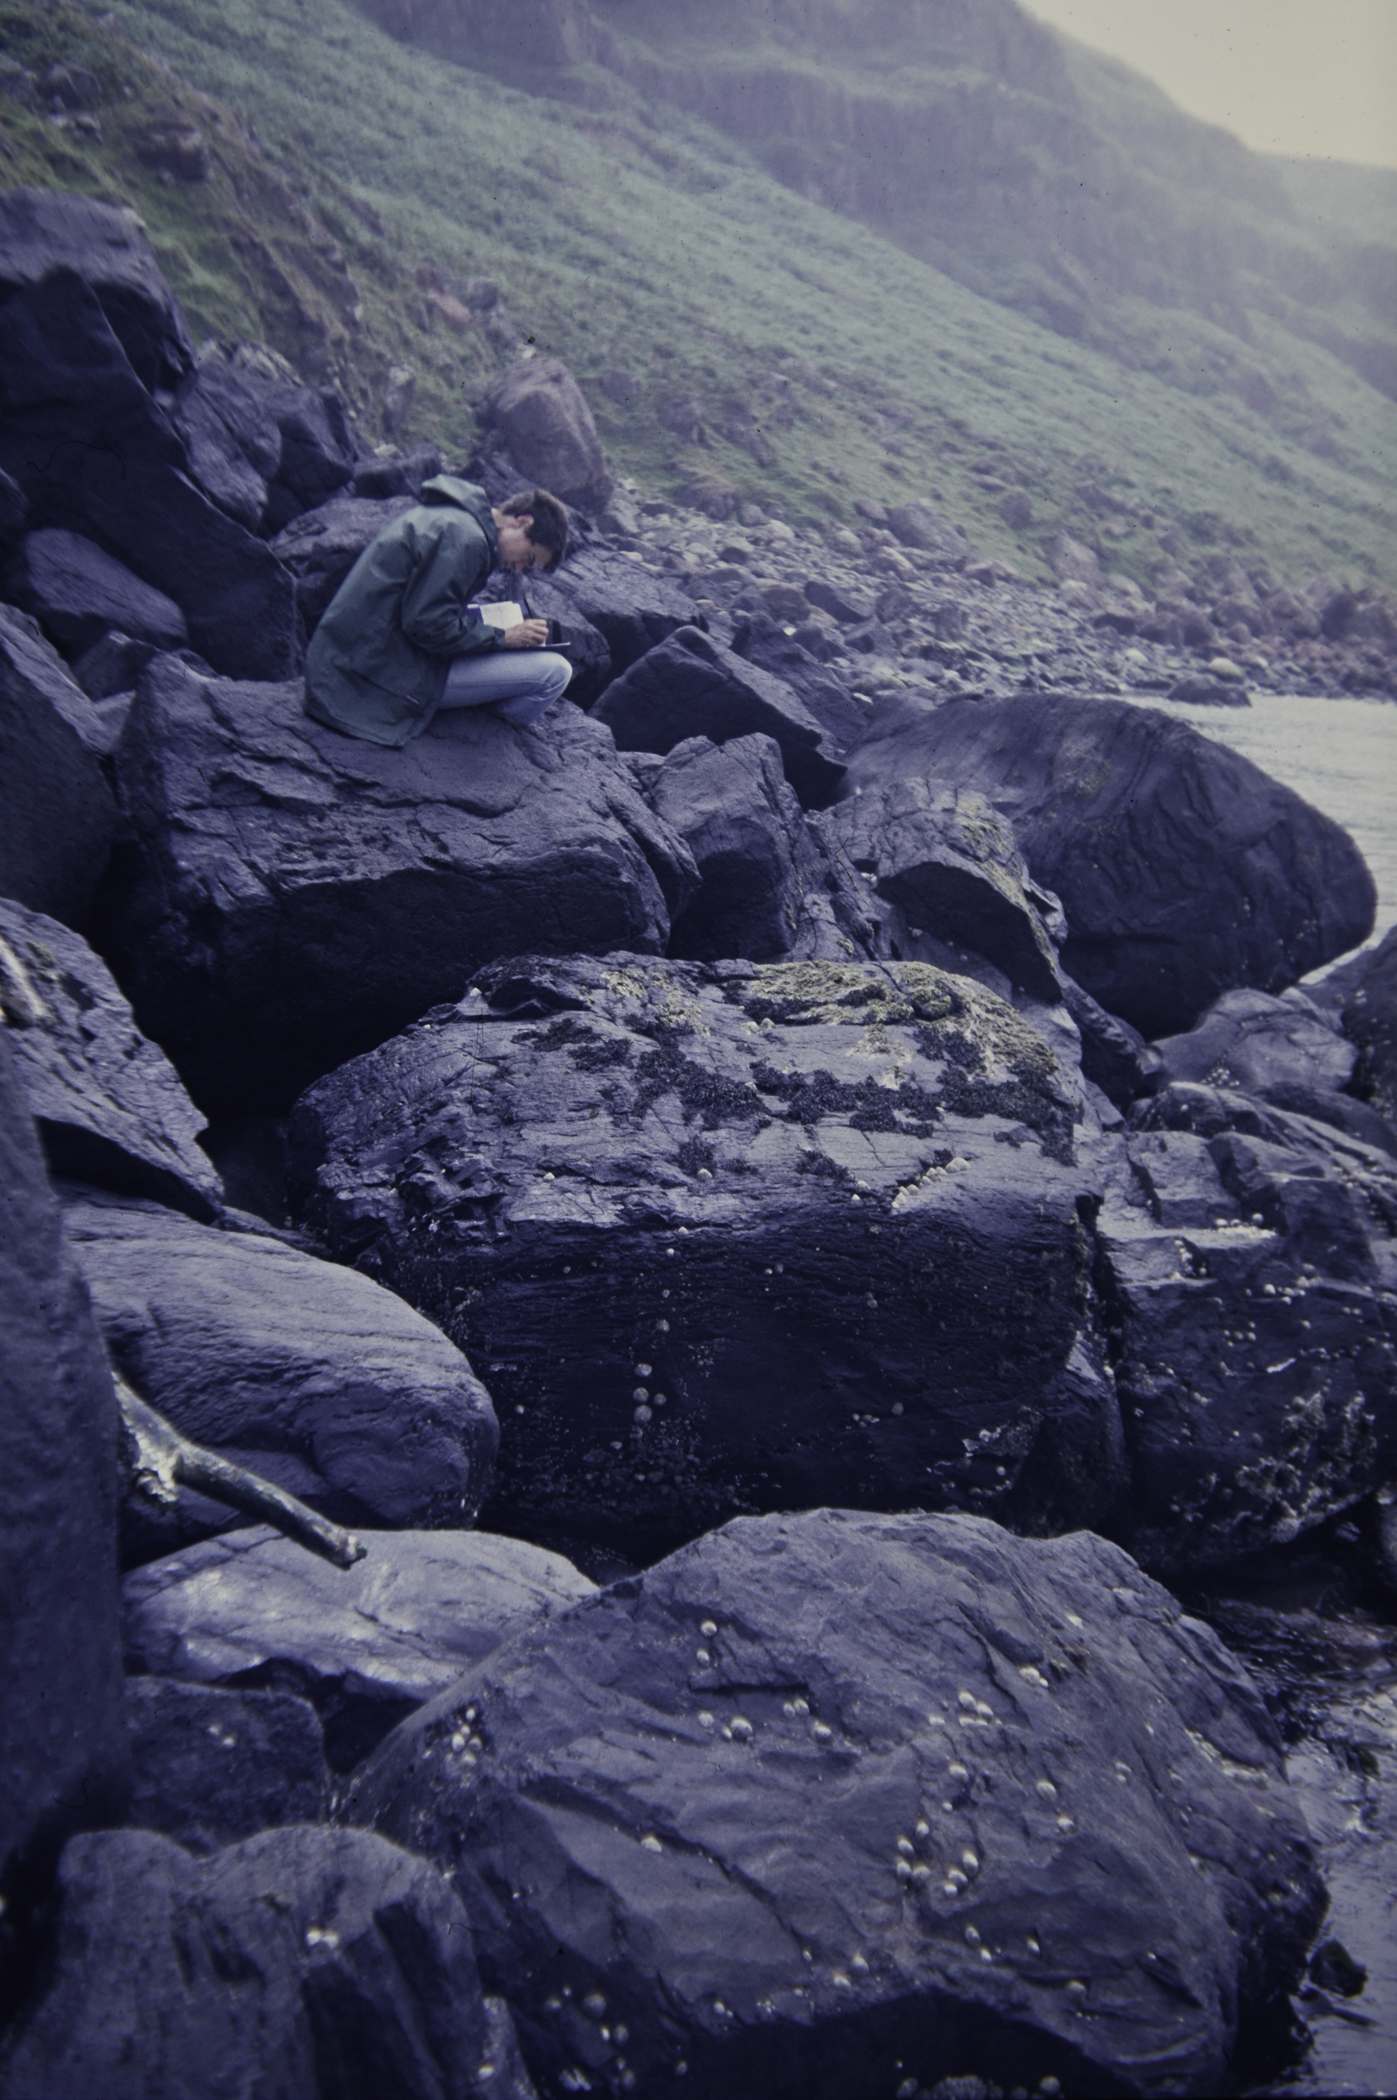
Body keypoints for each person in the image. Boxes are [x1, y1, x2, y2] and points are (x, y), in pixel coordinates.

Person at [303, 476, 573, 748]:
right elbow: (426, 625)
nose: (517, 569)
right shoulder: (469, 541)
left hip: (349, 659)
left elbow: (420, 606)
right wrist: (504, 637)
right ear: (523, 522)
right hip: (376, 675)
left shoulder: (452, 516)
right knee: (555, 672)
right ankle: (485, 745)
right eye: (527, 559)